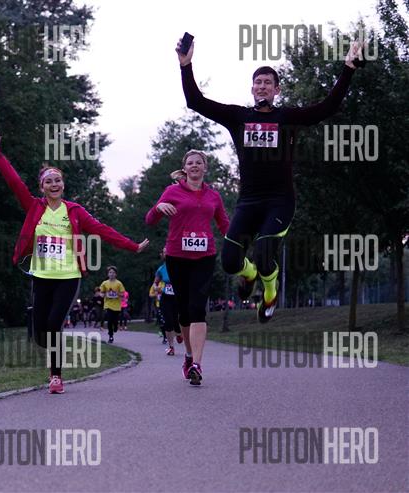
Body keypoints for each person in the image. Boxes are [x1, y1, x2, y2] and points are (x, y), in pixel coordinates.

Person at [176, 37, 364, 323]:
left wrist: (348, 67)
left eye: (267, 82)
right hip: (248, 202)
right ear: (252, 88)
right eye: (257, 82)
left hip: (280, 202)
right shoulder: (238, 117)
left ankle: (270, 292)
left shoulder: (287, 117)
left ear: (277, 89)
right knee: (229, 262)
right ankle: (250, 273)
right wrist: (186, 66)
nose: (262, 86)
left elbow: (328, 107)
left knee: (265, 251)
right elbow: (195, 101)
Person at [0, 133, 149, 394]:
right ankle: (49, 346)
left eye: (58, 180)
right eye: (48, 181)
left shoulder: (74, 211)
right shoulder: (34, 207)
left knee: (54, 324)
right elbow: (14, 182)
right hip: (41, 276)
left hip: (67, 276)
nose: (54, 184)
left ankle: (55, 377)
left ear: (63, 185)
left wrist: (132, 246)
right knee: (41, 333)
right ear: (42, 187)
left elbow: (102, 229)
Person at [146, 150, 230, 385]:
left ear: (205, 168)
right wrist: (159, 208)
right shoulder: (172, 191)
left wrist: (238, 243)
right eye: (190, 163)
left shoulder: (213, 196)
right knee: (184, 312)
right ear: (184, 168)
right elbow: (150, 220)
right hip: (177, 257)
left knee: (197, 308)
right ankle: (189, 356)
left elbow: (224, 224)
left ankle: (197, 364)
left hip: (205, 256)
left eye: (198, 163)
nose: (194, 166)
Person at [156, 247, 182, 355]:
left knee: (176, 319)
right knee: (168, 321)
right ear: (162, 255)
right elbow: (155, 283)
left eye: (168, 251)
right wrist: (157, 288)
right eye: (164, 252)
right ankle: (171, 347)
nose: (166, 253)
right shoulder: (161, 269)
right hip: (166, 298)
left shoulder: (180, 266)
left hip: (178, 297)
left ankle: (179, 333)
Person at [100, 266, 125, 343]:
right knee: (110, 320)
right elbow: (101, 292)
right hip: (108, 305)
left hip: (117, 305)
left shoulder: (119, 283)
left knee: (115, 320)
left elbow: (123, 294)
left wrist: (117, 294)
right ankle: (111, 336)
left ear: (116, 274)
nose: (112, 274)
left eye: (113, 272)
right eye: (110, 272)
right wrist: (103, 295)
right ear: (108, 274)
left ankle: (116, 326)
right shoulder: (105, 283)